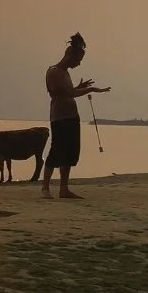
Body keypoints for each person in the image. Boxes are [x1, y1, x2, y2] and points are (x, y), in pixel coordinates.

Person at [41, 33, 109, 199]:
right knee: (56, 151)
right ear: (69, 55)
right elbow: (68, 93)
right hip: (60, 118)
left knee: (70, 153)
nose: (78, 64)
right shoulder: (54, 72)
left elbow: (68, 92)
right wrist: (91, 89)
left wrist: (80, 87)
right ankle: (45, 188)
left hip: (72, 116)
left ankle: (64, 189)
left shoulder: (65, 73)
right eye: (78, 60)